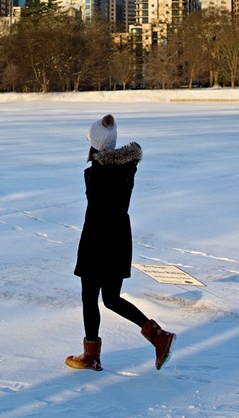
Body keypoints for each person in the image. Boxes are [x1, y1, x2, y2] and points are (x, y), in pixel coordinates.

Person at [66, 114, 175, 372]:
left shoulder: (97, 174)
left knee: (90, 297)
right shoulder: (126, 168)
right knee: (112, 298)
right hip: (119, 239)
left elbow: (96, 202)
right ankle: (158, 336)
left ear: (95, 144)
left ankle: (91, 355)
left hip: (97, 239)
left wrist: (92, 161)